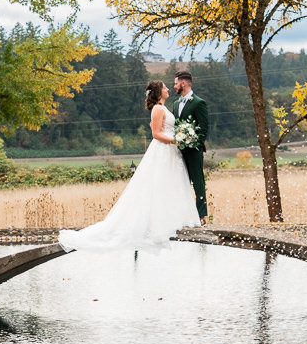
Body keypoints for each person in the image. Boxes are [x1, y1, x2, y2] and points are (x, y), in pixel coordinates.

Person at [58, 81, 200, 252]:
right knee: (158, 185)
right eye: (164, 87)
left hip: (170, 152)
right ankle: (155, 225)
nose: (168, 89)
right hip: (163, 151)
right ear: (158, 91)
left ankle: (172, 221)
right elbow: (156, 134)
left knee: (170, 185)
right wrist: (177, 140)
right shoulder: (157, 109)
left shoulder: (163, 108)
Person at [172, 70, 209, 224]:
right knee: (180, 182)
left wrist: (192, 143)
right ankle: (183, 214)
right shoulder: (175, 104)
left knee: (197, 181)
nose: (174, 86)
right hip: (177, 151)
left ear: (183, 83)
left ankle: (200, 215)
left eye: (175, 83)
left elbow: (203, 129)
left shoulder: (198, 102)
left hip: (194, 151)